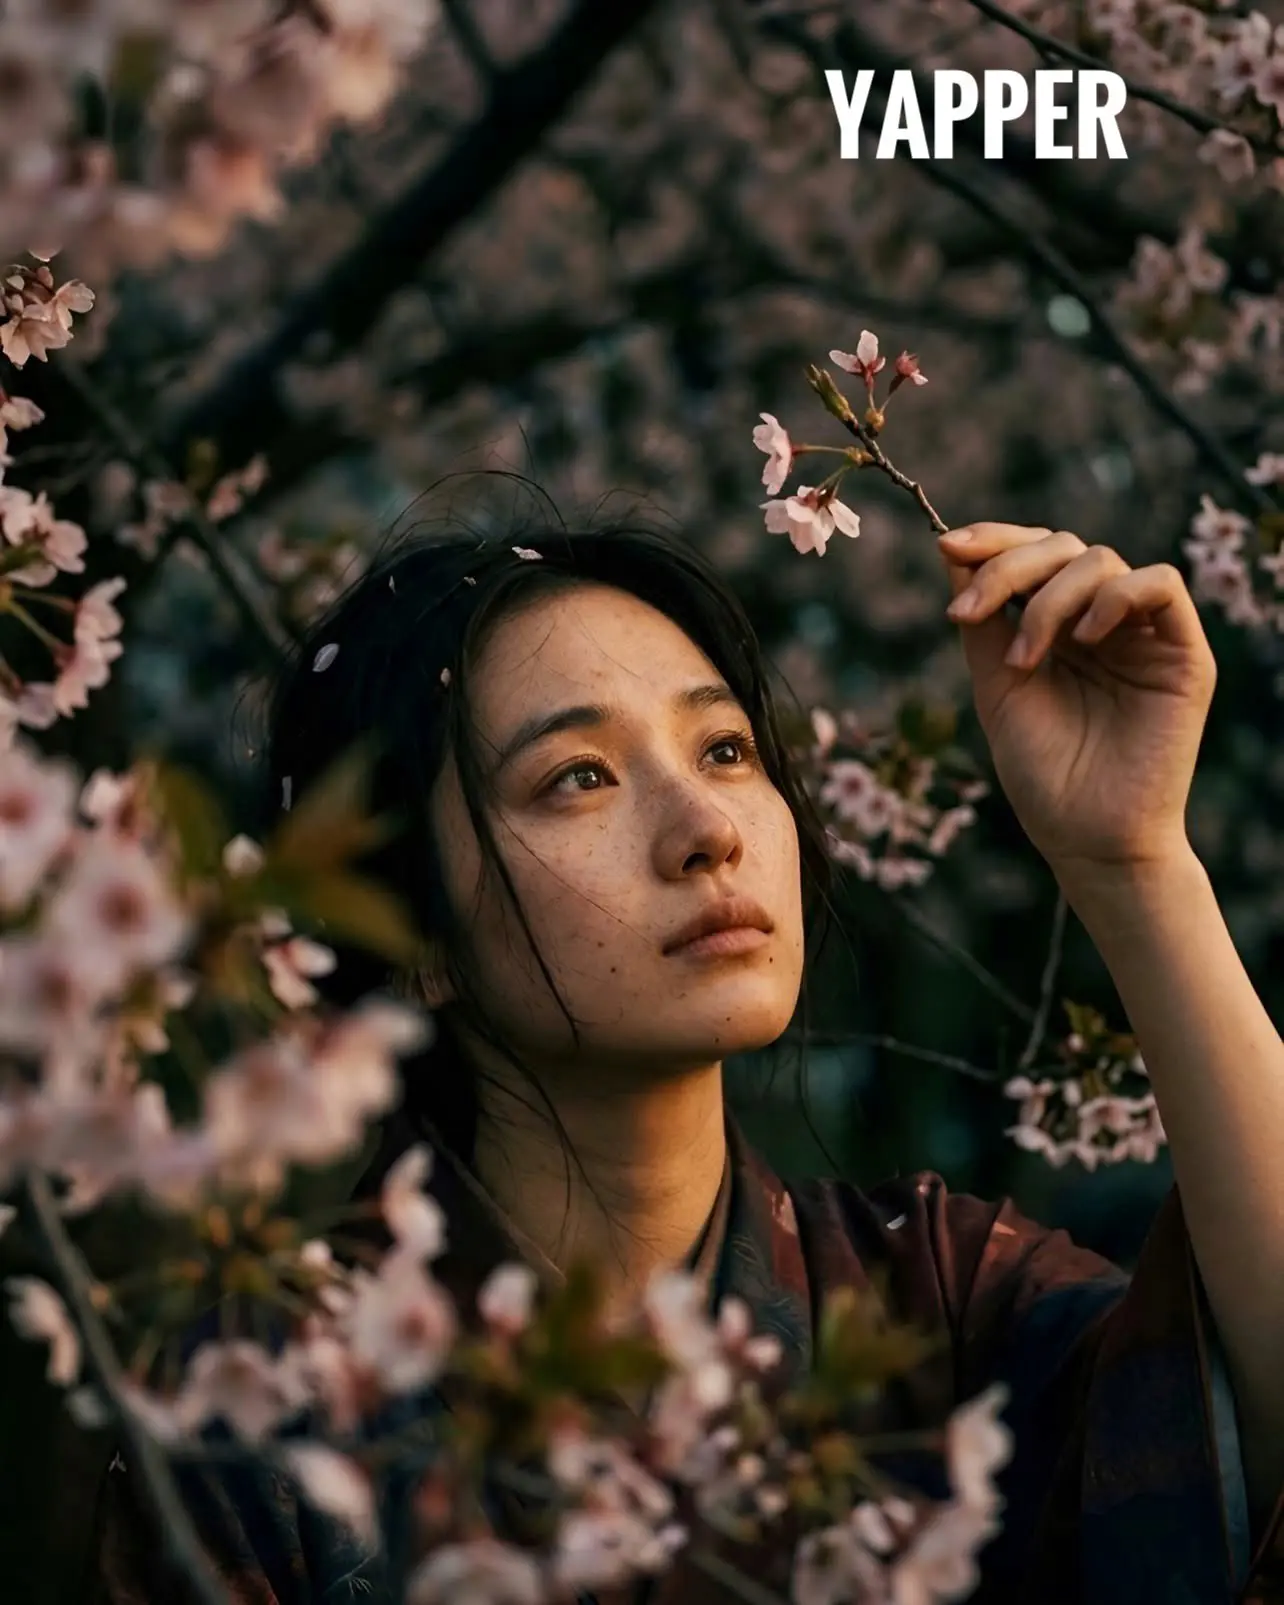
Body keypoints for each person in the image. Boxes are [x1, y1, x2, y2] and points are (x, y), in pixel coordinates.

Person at [90, 517, 1284, 1605]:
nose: (708, 829)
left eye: (723, 749)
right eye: (579, 778)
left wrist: (1134, 866)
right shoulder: (268, 1405)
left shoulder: (929, 1303)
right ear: (414, 939)